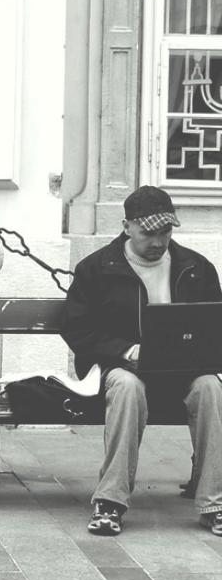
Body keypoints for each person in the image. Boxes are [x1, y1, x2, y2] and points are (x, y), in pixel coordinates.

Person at [61, 185, 222, 537]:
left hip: (181, 371)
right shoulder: (96, 269)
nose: (158, 241)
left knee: (211, 386)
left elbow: (213, 326)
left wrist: (201, 353)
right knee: (127, 386)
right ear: (127, 226)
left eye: (165, 232)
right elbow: (77, 328)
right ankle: (110, 502)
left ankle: (216, 503)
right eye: (148, 233)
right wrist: (125, 350)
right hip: (120, 368)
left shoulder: (196, 267)